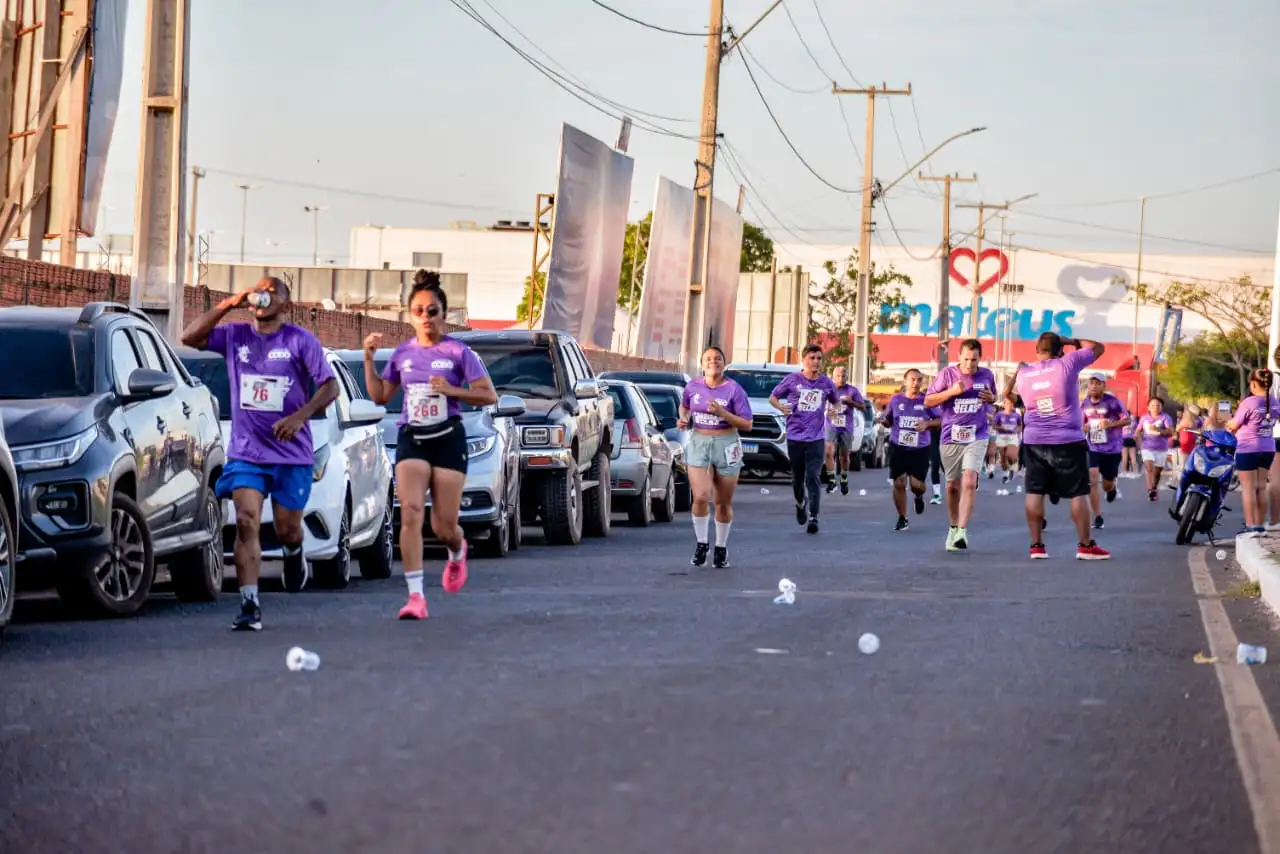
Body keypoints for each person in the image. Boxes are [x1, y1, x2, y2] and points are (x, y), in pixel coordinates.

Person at [181, 276, 339, 631]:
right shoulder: (236, 336)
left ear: (286, 304)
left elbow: (331, 386)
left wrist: (300, 417)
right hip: (247, 452)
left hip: (290, 454)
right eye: (259, 290)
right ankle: (250, 605)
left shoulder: (300, 341)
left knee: (287, 530)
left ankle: (294, 552)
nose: (263, 296)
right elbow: (189, 337)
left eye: (272, 292)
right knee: (247, 521)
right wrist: (227, 304)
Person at [363, 271, 497, 620]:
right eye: (419, 310)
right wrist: (368, 359)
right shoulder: (403, 353)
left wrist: (453, 391)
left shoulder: (458, 351)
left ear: (444, 313)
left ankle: (457, 550)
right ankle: (415, 597)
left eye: (432, 310)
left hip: (448, 439)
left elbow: (488, 395)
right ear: (410, 315)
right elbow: (380, 396)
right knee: (409, 513)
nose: (426, 317)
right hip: (413, 438)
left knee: (443, 526)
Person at [1008, 332, 1109, 560]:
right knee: (1077, 493)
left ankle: (1036, 546)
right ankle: (1085, 545)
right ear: (1060, 350)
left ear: (1036, 350)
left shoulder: (1024, 373)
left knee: (1034, 492)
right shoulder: (1067, 363)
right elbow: (1098, 346)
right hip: (1067, 440)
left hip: (1034, 440)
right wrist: (1071, 341)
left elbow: (1015, 397)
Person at [679, 346, 753, 567]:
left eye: (718, 359)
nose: (713, 362)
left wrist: (722, 413)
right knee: (701, 496)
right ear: (702, 363)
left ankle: (721, 547)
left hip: (726, 443)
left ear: (724, 363)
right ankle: (702, 544)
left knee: (722, 502)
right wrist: (683, 419)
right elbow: (684, 407)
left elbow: (747, 424)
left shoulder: (734, 390)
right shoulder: (693, 386)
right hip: (699, 442)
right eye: (709, 359)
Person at [770, 345, 856, 534]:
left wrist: (834, 409)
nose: (816, 362)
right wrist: (780, 408)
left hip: (816, 437)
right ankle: (801, 503)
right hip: (795, 436)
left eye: (818, 358)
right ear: (804, 360)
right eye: (812, 358)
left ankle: (814, 516)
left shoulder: (826, 383)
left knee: (813, 476)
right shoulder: (793, 380)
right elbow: (773, 397)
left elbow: (836, 402)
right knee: (797, 479)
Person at [923, 339, 997, 552]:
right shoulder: (947, 374)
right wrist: (952, 392)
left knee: (968, 481)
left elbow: (993, 398)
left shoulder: (987, 376)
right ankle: (953, 527)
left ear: (979, 359)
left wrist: (992, 398)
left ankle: (962, 531)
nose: (969, 364)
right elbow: (928, 401)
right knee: (952, 487)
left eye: (974, 360)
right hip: (951, 436)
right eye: (966, 359)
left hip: (977, 435)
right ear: (959, 356)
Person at [881, 368, 941, 531]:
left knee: (916, 485)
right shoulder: (895, 400)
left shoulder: (927, 401)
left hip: (920, 449)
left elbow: (941, 420)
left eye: (919, 380)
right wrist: (883, 421)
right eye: (912, 380)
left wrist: (927, 424)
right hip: (898, 447)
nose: (916, 383)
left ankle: (919, 495)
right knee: (899, 482)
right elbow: (888, 420)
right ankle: (902, 517)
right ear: (905, 382)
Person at [1227, 368, 1278, 537]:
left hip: (1248, 448)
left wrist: (1227, 423)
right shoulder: (1274, 402)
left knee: (1248, 489)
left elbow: (1234, 425)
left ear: (1254, 384)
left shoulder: (1249, 402)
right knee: (1261, 488)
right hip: (1268, 448)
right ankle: (1259, 525)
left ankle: (1250, 526)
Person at [1081, 372, 1131, 531]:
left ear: (1104, 385)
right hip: (1093, 447)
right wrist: (1085, 427)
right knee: (1092, 479)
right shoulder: (1084, 403)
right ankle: (1097, 516)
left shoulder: (1113, 402)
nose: (1094, 386)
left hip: (1112, 448)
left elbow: (1127, 420)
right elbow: (1080, 423)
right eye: (1091, 383)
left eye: (1098, 383)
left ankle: (1112, 488)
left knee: (1107, 484)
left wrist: (1110, 424)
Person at [823, 365, 865, 495]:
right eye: (838, 376)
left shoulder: (852, 391)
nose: (841, 378)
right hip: (831, 425)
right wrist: (826, 412)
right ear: (833, 377)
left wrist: (851, 402)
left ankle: (844, 478)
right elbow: (819, 405)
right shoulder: (827, 389)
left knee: (844, 456)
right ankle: (831, 481)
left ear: (847, 376)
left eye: (843, 376)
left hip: (846, 427)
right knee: (829, 452)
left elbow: (863, 407)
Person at [1135, 399, 1175, 501]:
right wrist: (1137, 437)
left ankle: (1154, 487)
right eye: (1153, 405)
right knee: (1149, 468)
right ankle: (1150, 491)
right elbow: (1138, 430)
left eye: (1158, 405)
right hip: (1147, 447)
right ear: (1148, 407)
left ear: (1162, 407)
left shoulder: (1165, 418)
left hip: (1161, 448)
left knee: (1157, 472)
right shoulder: (1144, 418)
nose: (1156, 407)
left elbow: (1170, 432)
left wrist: (1158, 430)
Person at [992, 399, 1022, 483]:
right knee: (1003, 457)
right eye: (1008, 404)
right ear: (1004, 405)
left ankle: (1012, 467)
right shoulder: (999, 415)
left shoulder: (1016, 415)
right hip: (1001, 436)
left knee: (1010, 455)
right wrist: (1002, 428)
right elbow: (994, 426)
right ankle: (1005, 473)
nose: (1010, 405)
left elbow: (1020, 426)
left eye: (1011, 404)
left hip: (1012, 436)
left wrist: (1017, 430)